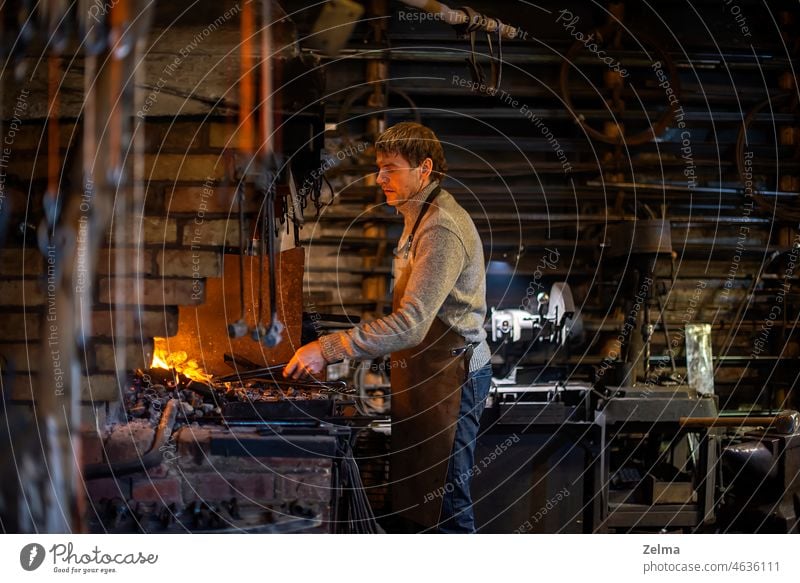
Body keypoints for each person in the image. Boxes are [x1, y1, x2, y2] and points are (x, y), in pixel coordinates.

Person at [284, 121, 492, 533]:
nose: (380, 178)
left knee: (446, 505)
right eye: (379, 167)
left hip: (454, 377)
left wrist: (328, 348)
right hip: (428, 374)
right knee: (420, 502)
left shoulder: (441, 227)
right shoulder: (417, 216)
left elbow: (413, 324)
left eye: (390, 168)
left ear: (424, 168)